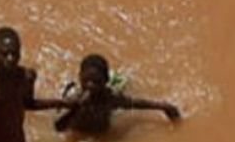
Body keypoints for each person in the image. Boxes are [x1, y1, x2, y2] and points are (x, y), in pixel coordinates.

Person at [53, 53, 181, 135]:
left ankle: (122, 80)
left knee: (123, 88)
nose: (90, 85)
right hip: (79, 132)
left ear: (105, 81)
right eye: (86, 81)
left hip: (102, 134)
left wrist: (163, 106)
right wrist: (77, 108)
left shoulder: (110, 99)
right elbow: (58, 128)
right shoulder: (74, 99)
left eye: (96, 82)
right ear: (79, 77)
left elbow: (136, 103)